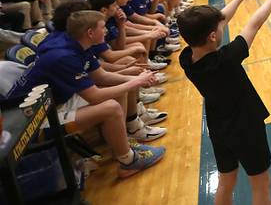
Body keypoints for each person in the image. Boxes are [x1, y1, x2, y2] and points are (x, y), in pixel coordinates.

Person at [5, 10, 165, 178]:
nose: (106, 31)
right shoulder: (64, 56)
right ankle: (128, 162)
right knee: (111, 107)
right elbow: (94, 96)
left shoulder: (76, 42)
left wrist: (132, 78)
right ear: (90, 32)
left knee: (119, 90)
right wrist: (135, 81)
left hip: (54, 103)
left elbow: (101, 76)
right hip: (34, 124)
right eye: (103, 27)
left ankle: (121, 144)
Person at [179, 0, 271, 205]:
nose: (223, 26)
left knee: (226, 181)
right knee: (261, 184)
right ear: (211, 36)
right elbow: (254, 24)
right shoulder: (226, 59)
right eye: (219, 28)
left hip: (219, 127)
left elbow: (220, 19)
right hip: (246, 126)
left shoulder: (187, 58)